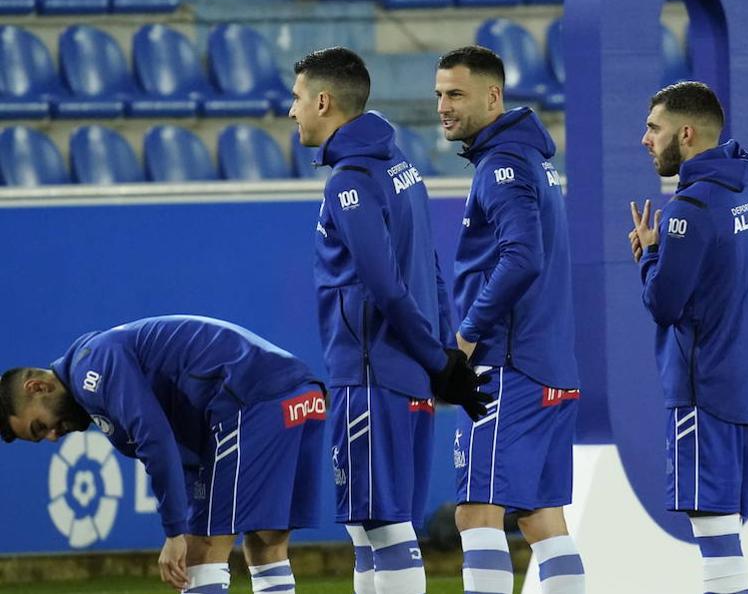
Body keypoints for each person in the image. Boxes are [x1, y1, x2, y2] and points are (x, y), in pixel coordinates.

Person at [290, 46, 490, 594]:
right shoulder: (401, 167)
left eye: (298, 98)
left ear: (324, 101)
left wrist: (435, 357)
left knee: (382, 524)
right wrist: (444, 356)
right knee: (371, 522)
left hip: (372, 374)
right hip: (407, 372)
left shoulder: (348, 183)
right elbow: (429, 268)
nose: (292, 112)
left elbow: (384, 286)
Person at [0, 315, 325, 594]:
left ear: (37, 388)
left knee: (203, 548)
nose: (53, 436)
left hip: (253, 399)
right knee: (267, 539)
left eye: (40, 427)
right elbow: (181, 451)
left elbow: (155, 438)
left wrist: (174, 532)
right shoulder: (99, 369)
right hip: (300, 394)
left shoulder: (92, 367)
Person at [434, 45, 586, 594]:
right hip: (550, 368)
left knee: (476, 515)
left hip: (509, 368)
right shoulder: (532, 162)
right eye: (439, 95)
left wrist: (467, 337)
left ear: (493, 96)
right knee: (542, 521)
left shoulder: (502, 167)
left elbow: (522, 257)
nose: (443, 106)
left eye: (456, 94)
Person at [627, 81, 748, 594]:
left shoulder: (691, 208)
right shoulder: (746, 192)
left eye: (654, 128)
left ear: (685, 133)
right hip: (747, 388)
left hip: (703, 391)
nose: (645, 139)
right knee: (727, 531)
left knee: (715, 538)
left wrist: (648, 256)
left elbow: (664, 305)